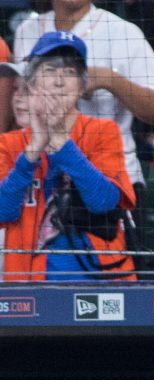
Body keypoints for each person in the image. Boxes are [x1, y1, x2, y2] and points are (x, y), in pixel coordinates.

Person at [0, 32, 136, 281]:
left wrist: (62, 144)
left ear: (82, 86)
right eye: (50, 70)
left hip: (102, 282)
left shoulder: (103, 131)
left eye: (70, 72)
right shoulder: (9, 144)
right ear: (32, 83)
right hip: (30, 284)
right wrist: (31, 153)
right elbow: (3, 211)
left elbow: (103, 202)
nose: (60, 82)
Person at [14, 0, 154, 192]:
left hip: (110, 176)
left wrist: (110, 80)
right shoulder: (26, 31)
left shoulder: (123, 32)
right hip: (43, 178)